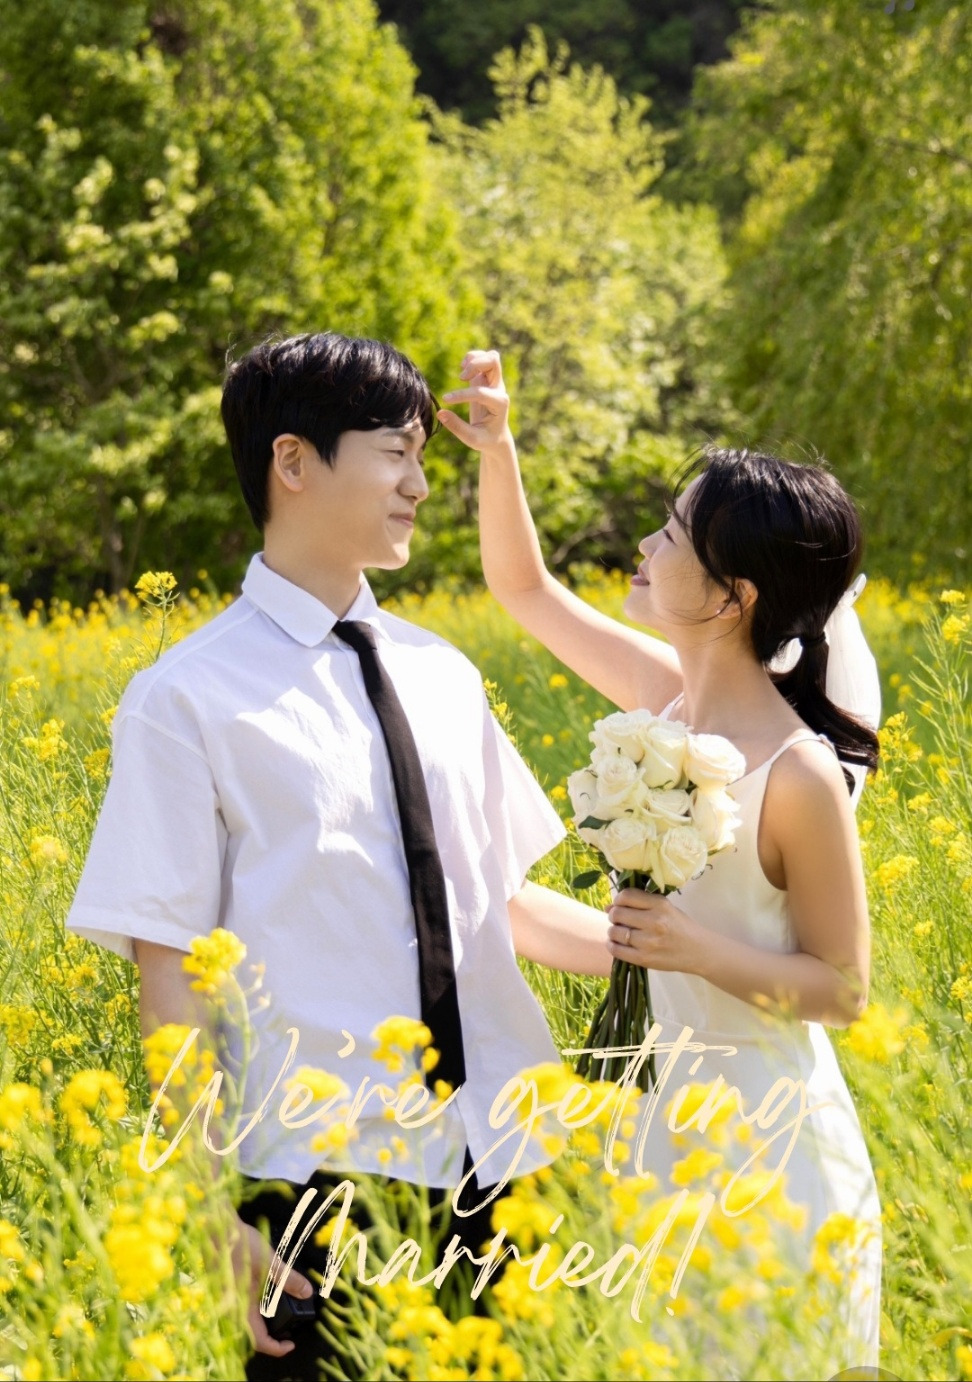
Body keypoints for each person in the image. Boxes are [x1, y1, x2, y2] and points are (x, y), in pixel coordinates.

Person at [65, 332, 613, 1380]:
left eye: (423, 458)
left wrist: (686, 947)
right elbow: (170, 975)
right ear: (293, 461)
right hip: (323, 1183)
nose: (419, 485)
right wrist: (207, 1208)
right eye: (395, 453)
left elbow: (502, 906)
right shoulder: (185, 698)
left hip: (510, 1157)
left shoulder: (443, 673)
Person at [437, 349, 883, 1372]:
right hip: (664, 1142)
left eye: (673, 534)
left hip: (776, 1148)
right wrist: (499, 449)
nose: (645, 544)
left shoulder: (798, 773)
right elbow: (523, 587)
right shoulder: (663, 702)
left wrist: (690, 948)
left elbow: (844, 989)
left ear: (732, 598)